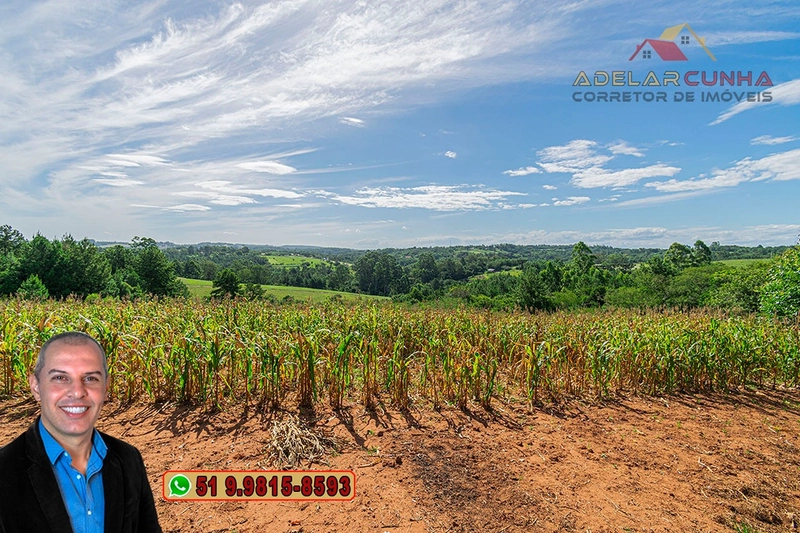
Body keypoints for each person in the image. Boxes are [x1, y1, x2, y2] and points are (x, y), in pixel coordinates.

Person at [0, 331, 162, 533]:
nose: (77, 392)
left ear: (106, 387)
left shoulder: (129, 460)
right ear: (36, 386)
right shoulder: (4, 470)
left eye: (91, 378)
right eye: (60, 377)